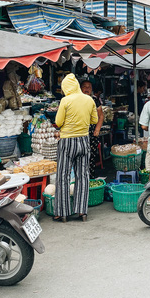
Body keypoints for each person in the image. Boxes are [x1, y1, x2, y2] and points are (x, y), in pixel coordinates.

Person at [54, 74, 98, 223]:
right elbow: (95, 120)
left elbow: (58, 122)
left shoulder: (65, 100)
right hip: (84, 140)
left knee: (63, 176)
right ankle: (82, 211)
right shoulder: (89, 100)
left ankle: (63, 212)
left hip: (67, 141)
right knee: (83, 176)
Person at [81, 80, 104, 178]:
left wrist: (97, 129)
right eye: (85, 87)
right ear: (80, 88)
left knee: (91, 157)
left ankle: (90, 178)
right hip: (80, 132)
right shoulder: (77, 99)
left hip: (92, 133)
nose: (87, 89)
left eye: (89, 87)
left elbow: (101, 116)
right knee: (80, 156)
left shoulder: (95, 100)